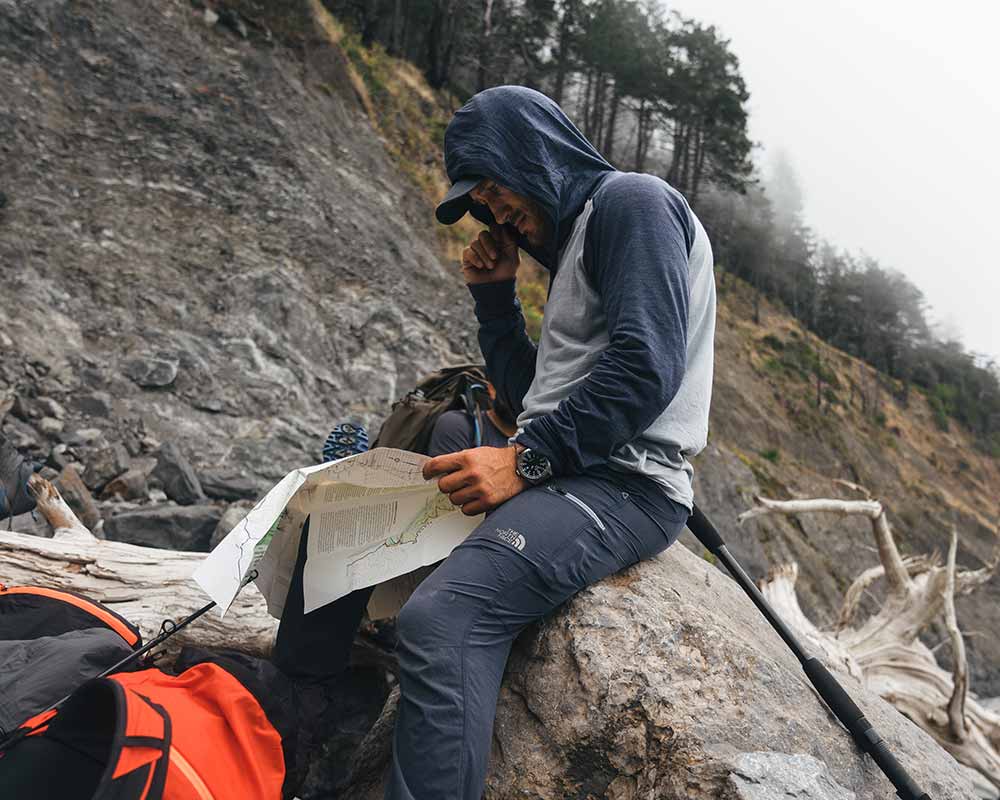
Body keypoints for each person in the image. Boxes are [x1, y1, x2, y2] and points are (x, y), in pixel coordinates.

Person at [385, 85, 716, 799]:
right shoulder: (580, 244)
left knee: (443, 622)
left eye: (498, 190)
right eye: (482, 203)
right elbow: (539, 397)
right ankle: (313, 688)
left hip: (623, 486)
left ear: (535, 152)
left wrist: (525, 462)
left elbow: (645, 368)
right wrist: (496, 297)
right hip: (575, 465)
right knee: (437, 437)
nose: (496, 212)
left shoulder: (633, 204)